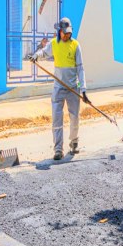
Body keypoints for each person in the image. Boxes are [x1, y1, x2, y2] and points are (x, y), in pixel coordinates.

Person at [31, 17, 89, 161]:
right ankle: (58, 149)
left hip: (73, 88)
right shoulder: (54, 44)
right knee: (57, 119)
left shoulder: (75, 45)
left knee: (74, 117)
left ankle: (74, 143)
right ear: (59, 31)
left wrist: (83, 90)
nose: (67, 35)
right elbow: (43, 52)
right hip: (58, 88)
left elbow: (80, 69)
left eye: (69, 33)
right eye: (64, 33)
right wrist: (35, 56)